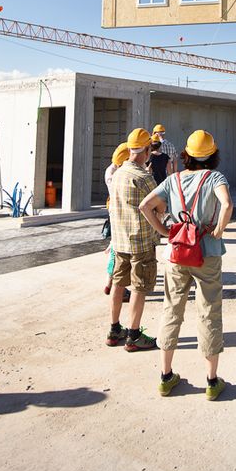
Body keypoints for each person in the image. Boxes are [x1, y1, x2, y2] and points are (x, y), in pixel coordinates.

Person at [140, 130, 233, 400]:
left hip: (178, 251)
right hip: (207, 253)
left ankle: (166, 376)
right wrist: (218, 229)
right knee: (209, 313)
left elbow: (146, 206)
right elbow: (226, 204)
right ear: (213, 155)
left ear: (187, 154)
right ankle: (212, 381)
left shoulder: (173, 180)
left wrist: (163, 231)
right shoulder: (216, 177)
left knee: (172, 309)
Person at [106, 128, 160, 352]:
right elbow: (160, 205)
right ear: (147, 150)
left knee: (119, 283)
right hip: (140, 241)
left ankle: (114, 329)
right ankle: (134, 335)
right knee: (139, 287)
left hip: (119, 242)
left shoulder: (117, 173)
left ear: (129, 149)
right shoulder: (143, 177)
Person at [103, 141, 130, 298]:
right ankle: (114, 285)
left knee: (115, 247)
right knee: (117, 249)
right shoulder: (117, 174)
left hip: (114, 211)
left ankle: (109, 282)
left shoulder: (111, 169)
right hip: (119, 213)